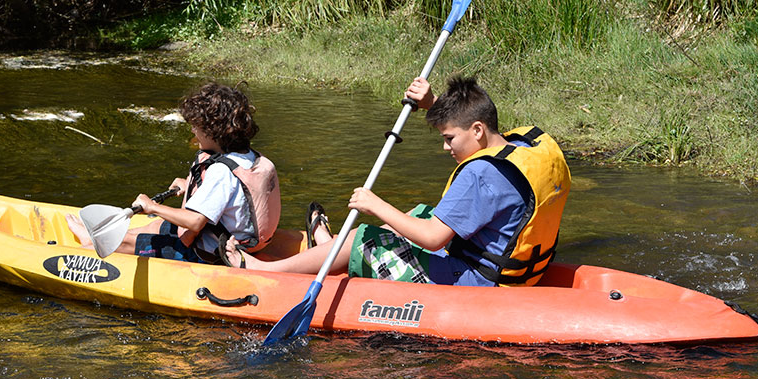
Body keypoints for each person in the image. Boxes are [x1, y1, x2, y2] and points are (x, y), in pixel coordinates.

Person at [223, 75, 570, 287]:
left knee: (364, 238)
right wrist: (434, 104)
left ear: (477, 130)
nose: (445, 146)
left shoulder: (480, 175)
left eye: (449, 138)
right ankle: (328, 245)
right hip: (507, 267)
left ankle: (271, 271)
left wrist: (375, 205)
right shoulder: (523, 144)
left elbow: (434, 240)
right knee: (420, 211)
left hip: (473, 281)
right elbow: (471, 127)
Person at [68, 82, 281, 263]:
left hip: (213, 252)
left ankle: (88, 245)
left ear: (213, 131)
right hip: (242, 240)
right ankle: (92, 236)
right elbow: (234, 197)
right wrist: (189, 185)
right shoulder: (251, 158)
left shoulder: (221, 172)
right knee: (158, 225)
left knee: (128, 241)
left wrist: (152, 206)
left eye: (196, 126)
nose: (192, 131)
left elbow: (195, 222)